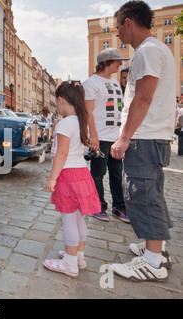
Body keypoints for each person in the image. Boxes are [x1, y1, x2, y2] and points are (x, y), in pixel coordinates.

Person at [110, 0, 176, 282]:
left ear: (129, 23)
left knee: (142, 195)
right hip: (153, 135)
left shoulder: (147, 52)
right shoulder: (160, 50)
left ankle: (152, 263)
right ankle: (157, 250)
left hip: (144, 137)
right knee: (153, 194)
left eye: (118, 29)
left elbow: (144, 97)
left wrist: (124, 137)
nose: (118, 36)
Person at [43, 81, 101, 278]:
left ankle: (69, 263)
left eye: (56, 103)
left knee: (68, 220)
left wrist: (52, 178)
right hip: (82, 174)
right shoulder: (80, 121)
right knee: (78, 219)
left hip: (68, 175)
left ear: (60, 101)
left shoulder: (66, 123)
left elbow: (61, 154)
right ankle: (78, 256)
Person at [83, 48, 130, 223]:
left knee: (117, 173)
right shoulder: (91, 83)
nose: (120, 64)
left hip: (115, 137)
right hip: (100, 136)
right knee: (98, 173)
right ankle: (97, 206)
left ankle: (119, 206)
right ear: (107, 62)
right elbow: (88, 111)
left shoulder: (115, 83)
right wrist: (93, 136)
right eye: (118, 61)